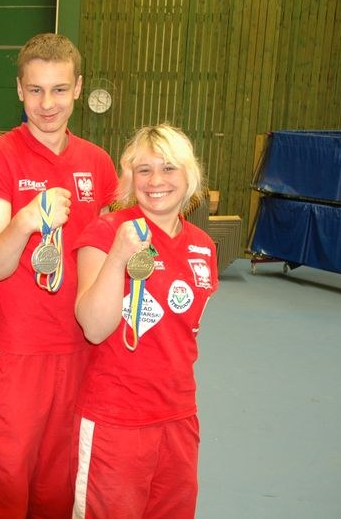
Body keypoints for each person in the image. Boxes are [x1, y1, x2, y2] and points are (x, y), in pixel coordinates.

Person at [0, 33, 119, 518]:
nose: (47, 104)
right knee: (4, 489)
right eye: (35, 90)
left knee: (61, 488)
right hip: (17, 355)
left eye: (57, 89)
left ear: (78, 88)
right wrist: (25, 221)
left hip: (82, 353)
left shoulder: (97, 163)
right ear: (18, 90)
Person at [72, 124, 219, 518]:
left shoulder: (203, 246)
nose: (157, 181)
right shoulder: (105, 232)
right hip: (116, 418)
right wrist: (119, 255)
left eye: (169, 168)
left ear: (189, 176)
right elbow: (93, 326)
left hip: (179, 416)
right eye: (144, 170)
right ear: (129, 178)